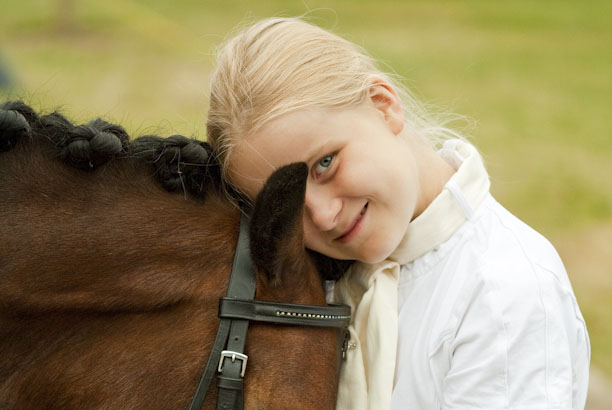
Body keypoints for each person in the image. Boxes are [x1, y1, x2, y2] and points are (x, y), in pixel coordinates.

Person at [206, 17, 590, 410]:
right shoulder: (299, 281)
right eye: (288, 204)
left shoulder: (503, 293)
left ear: (383, 106)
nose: (322, 217)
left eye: (325, 163)